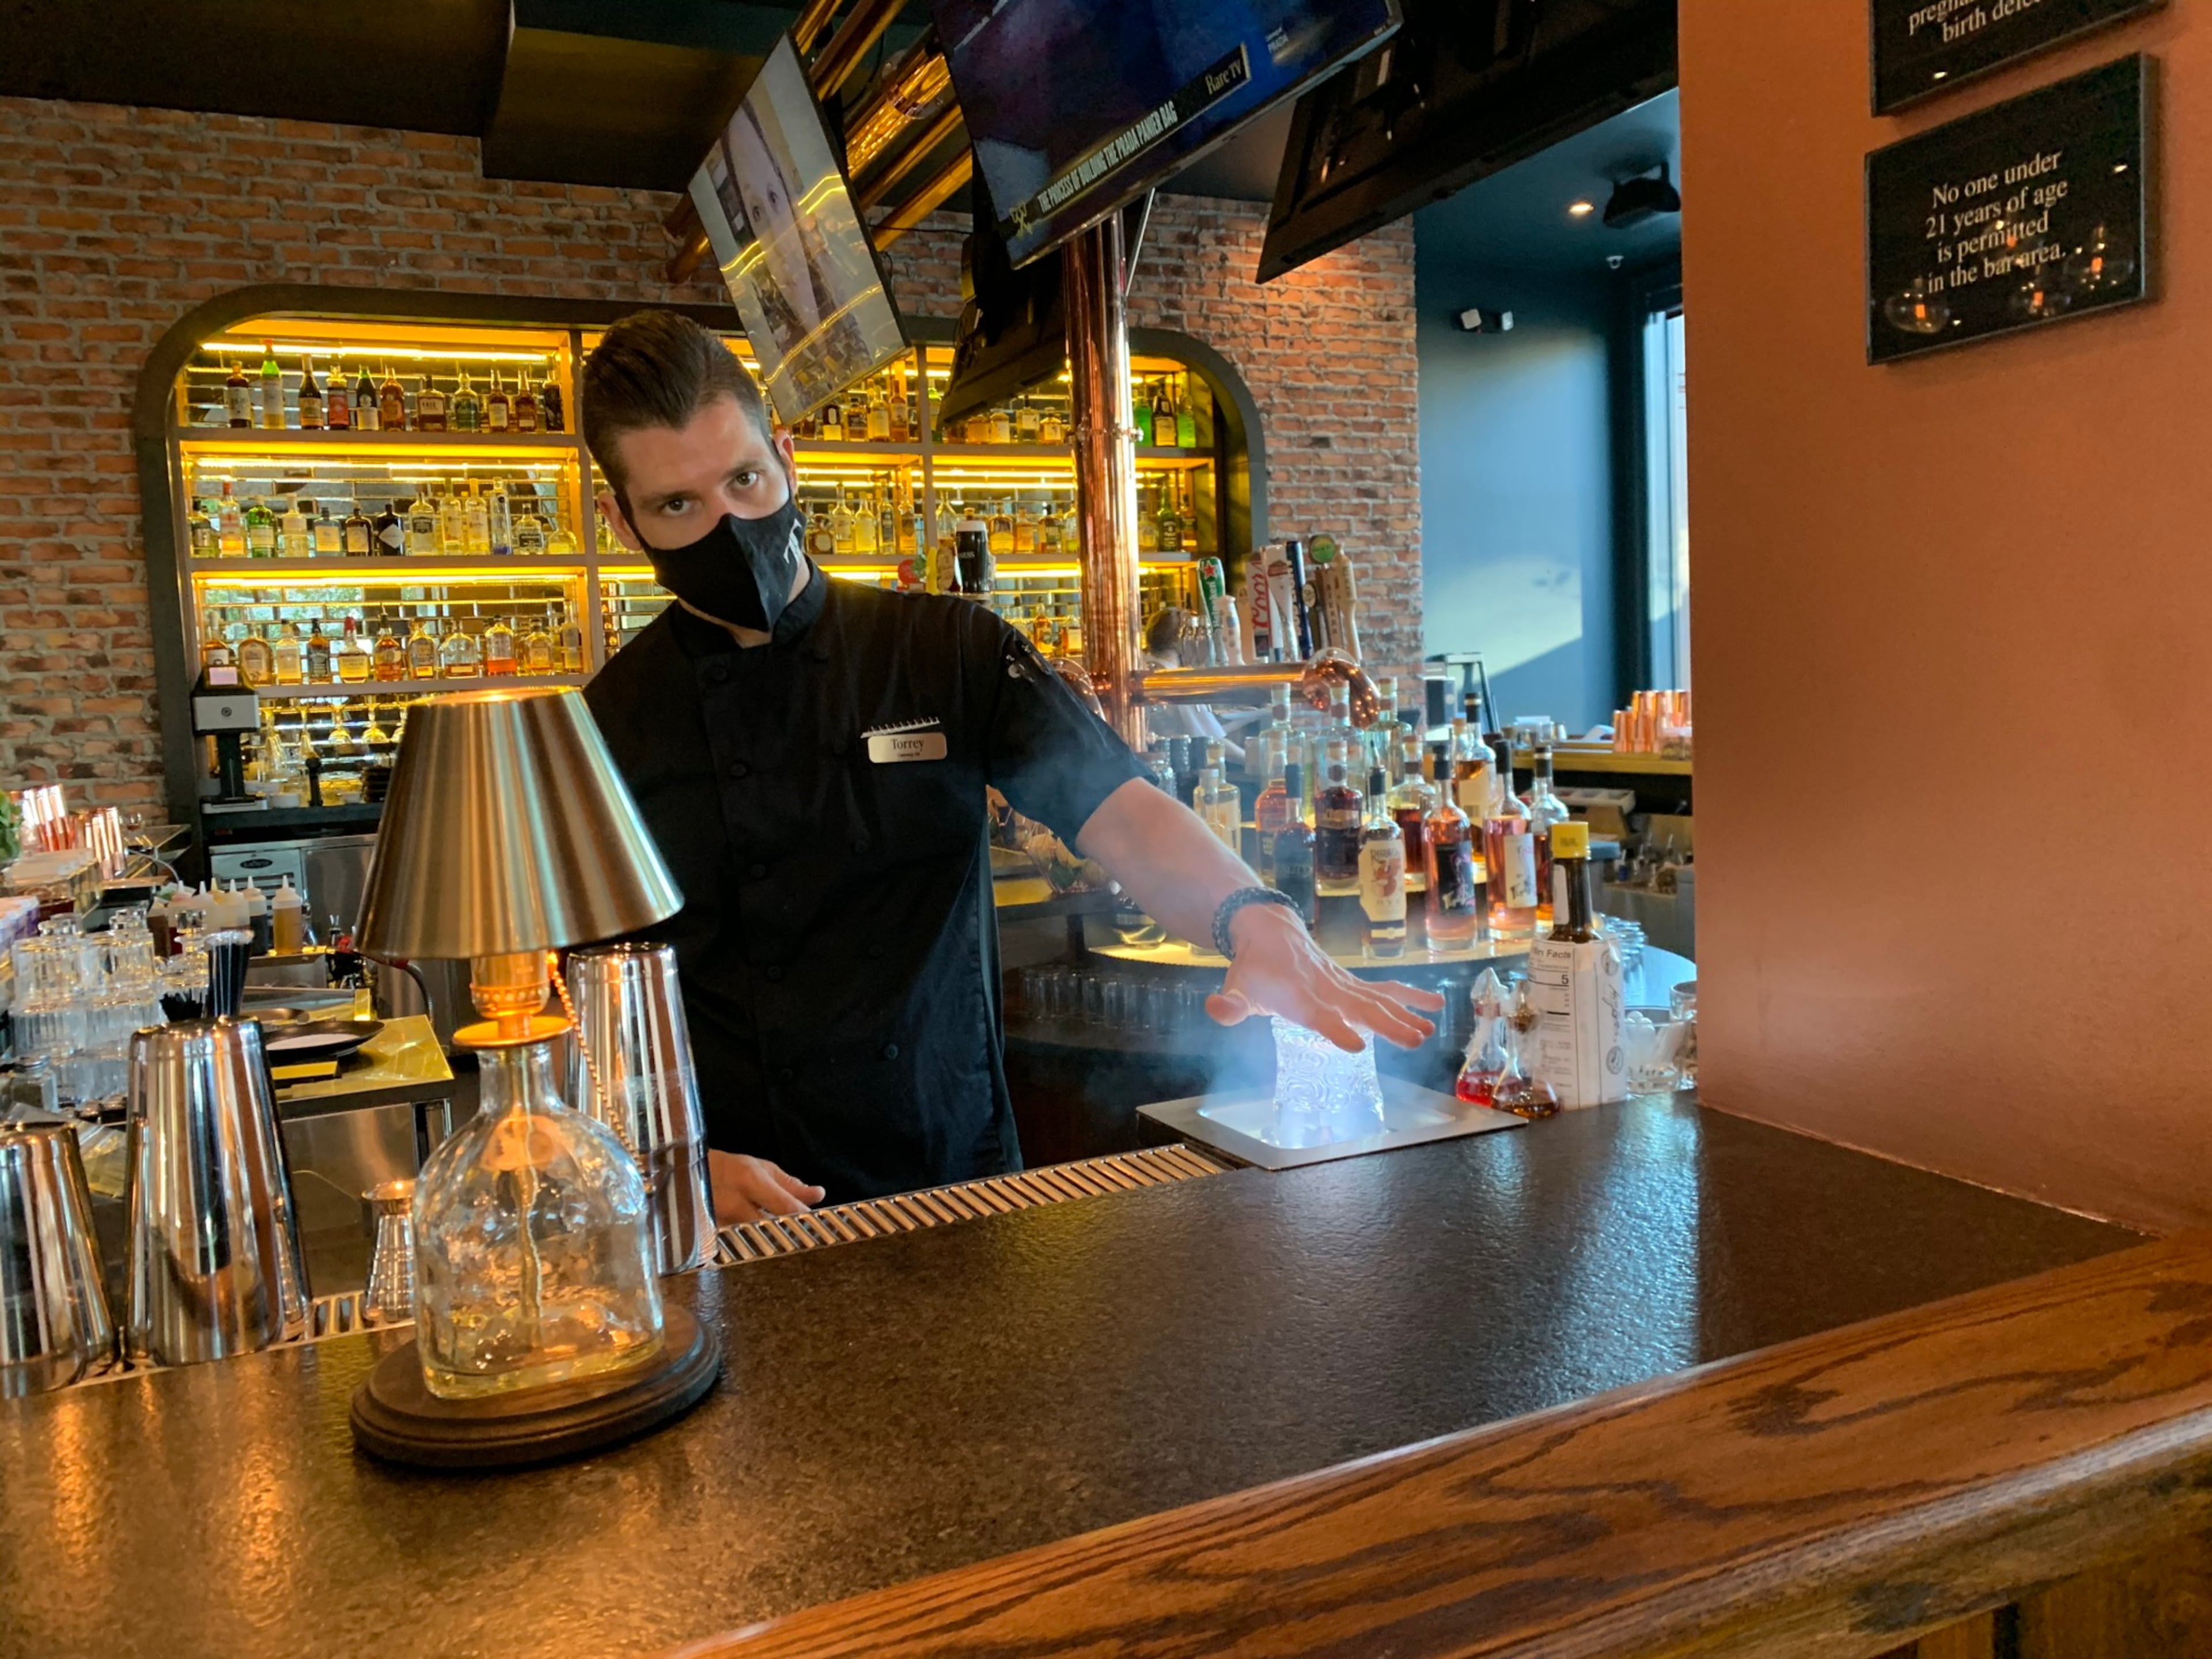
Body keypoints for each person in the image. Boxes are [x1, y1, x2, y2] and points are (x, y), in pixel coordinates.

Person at [580, 312, 1439, 1222]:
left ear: (786, 460)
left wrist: (1253, 918)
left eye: (744, 481)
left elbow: (1121, 809)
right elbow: (583, 999)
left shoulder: (946, 651)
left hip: (954, 1173)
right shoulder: (605, 724)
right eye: (678, 506)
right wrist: (666, 1167)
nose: (729, 525)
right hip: (736, 1204)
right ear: (621, 520)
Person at [1140, 605, 1255, 766]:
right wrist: (1258, 763)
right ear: (1183, 641)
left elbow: (1201, 728)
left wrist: (1248, 717)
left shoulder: (1145, 669)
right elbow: (1211, 741)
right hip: (1177, 770)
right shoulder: (1176, 680)